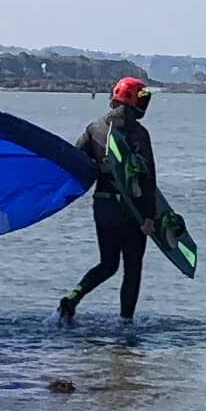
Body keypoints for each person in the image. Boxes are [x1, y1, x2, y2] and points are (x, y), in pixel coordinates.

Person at [62, 75, 168, 328]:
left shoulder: (94, 128)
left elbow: (75, 162)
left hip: (104, 207)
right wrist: (150, 217)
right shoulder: (139, 133)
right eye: (143, 99)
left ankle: (71, 298)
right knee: (132, 268)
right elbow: (148, 178)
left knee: (108, 264)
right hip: (133, 210)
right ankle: (126, 324)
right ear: (132, 101)